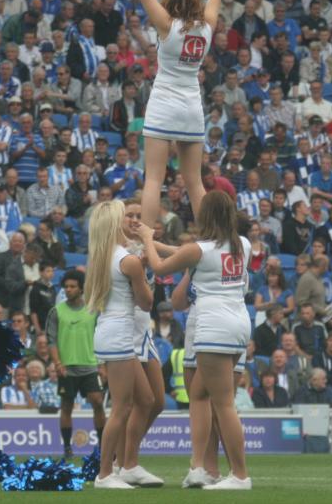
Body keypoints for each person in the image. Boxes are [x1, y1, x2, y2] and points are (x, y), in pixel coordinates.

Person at [136, 190, 251, 490]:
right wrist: (157, 243)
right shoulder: (245, 245)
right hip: (239, 324)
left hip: (214, 326)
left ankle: (240, 475)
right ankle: (202, 469)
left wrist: (147, 239)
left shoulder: (199, 250)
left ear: (206, 216)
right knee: (199, 395)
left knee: (224, 405)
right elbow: (182, 253)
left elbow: (161, 267)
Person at [133, 0, 226, 227]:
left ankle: (145, 243)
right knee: (195, 182)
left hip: (164, 104)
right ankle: (210, 238)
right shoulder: (207, 27)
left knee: (154, 178)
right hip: (192, 108)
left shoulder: (166, 25)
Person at [84, 200, 152, 489]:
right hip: (120, 334)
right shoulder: (127, 260)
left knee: (146, 399)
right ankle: (105, 473)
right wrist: (144, 271)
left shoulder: (104, 256)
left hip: (111, 330)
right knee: (122, 407)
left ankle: (127, 465)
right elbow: (146, 303)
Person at [116, 200, 165, 487]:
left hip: (144, 330)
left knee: (157, 402)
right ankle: (124, 461)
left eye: (139, 216)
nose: (135, 220)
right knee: (136, 401)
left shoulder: (147, 246)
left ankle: (124, 457)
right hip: (125, 329)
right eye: (129, 216)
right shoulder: (117, 251)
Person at [45, 269, 106, 459]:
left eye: (72, 286)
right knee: (66, 406)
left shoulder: (93, 310)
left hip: (90, 365)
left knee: (97, 402)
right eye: (66, 287)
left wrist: (102, 364)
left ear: (81, 288)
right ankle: (67, 448)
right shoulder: (57, 311)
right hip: (67, 368)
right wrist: (57, 363)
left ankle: (103, 446)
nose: (68, 290)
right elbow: (51, 340)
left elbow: (101, 337)